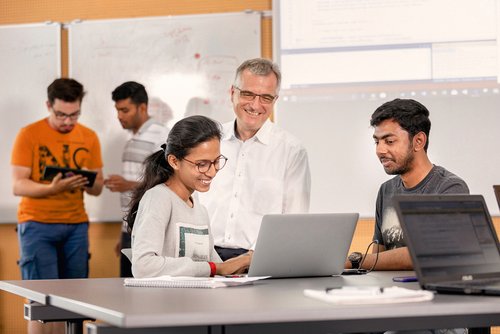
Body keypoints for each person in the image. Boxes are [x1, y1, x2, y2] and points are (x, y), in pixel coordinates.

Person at [11, 78, 104, 334]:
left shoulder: (89, 136)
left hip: (76, 226)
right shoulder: (29, 134)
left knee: (75, 303)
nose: (67, 122)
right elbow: (18, 185)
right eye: (61, 115)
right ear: (48, 106)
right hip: (36, 225)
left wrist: (86, 180)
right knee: (40, 303)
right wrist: (52, 189)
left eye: (74, 115)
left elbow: (98, 188)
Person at [198, 58, 311, 261]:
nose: (255, 105)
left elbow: (294, 220)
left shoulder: (292, 151)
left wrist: (251, 260)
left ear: (275, 101)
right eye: (248, 94)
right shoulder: (207, 140)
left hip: (258, 261)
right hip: (202, 259)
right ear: (232, 93)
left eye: (266, 98)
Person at [346, 98, 469, 272]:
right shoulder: (386, 190)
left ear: (418, 141)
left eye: (389, 141)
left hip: (430, 295)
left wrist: (354, 260)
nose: (380, 150)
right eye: (377, 141)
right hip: (390, 293)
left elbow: (424, 254)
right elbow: (376, 260)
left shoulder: (450, 188)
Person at [127, 115, 251, 278]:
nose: (212, 172)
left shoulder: (200, 210)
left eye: (216, 161)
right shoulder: (158, 199)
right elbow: (143, 266)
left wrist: (244, 261)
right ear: (174, 161)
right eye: (202, 164)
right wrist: (216, 268)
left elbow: (216, 268)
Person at [105, 81, 169, 277]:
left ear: (142, 107)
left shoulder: (161, 135)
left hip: (148, 230)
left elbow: (167, 183)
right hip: (130, 229)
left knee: (143, 295)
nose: (119, 116)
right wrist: (123, 232)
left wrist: (127, 185)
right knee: (127, 292)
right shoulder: (133, 137)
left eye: (125, 110)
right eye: (117, 110)